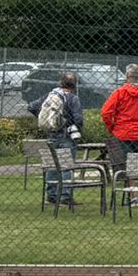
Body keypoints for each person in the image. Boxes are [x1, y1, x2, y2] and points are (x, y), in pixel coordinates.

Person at [39, 72, 84, 206]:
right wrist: (76, 128)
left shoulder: (51, 95)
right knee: (67, 166)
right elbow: (78, 118)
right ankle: (65, 196)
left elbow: (33, 106)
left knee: (52, 166)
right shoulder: (73, 98)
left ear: (61, 82)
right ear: (75, 85)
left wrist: (49, 121)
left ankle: (51, 195)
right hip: (67, 136)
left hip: (52, 134)